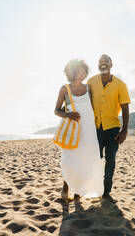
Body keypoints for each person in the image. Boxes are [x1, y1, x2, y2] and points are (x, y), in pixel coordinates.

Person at [54, 59, 104, 202]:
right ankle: (66, 188)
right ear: (72, 72)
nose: (82, 74)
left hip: (88, 131)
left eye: (84, 71)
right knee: (69, 161)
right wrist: (68, 114)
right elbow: (56, 110)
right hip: (72, 131)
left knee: (85, 161)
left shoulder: (89, 88)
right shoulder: (65, 89)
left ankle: (78, 193)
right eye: (79, 71)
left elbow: (94, 107)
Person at [87, 54, 130, 203]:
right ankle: (97, 188)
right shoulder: (91, 82)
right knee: (95, 160)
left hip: (113, 128)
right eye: (101, 62)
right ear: (98, 65)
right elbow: (85, 103)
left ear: (111, 64)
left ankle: (106, 192)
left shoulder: (120, 84)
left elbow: (125, 107)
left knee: (110, 161)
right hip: (95, 128)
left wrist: (124, 130)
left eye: (106, 61)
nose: (103, 64)